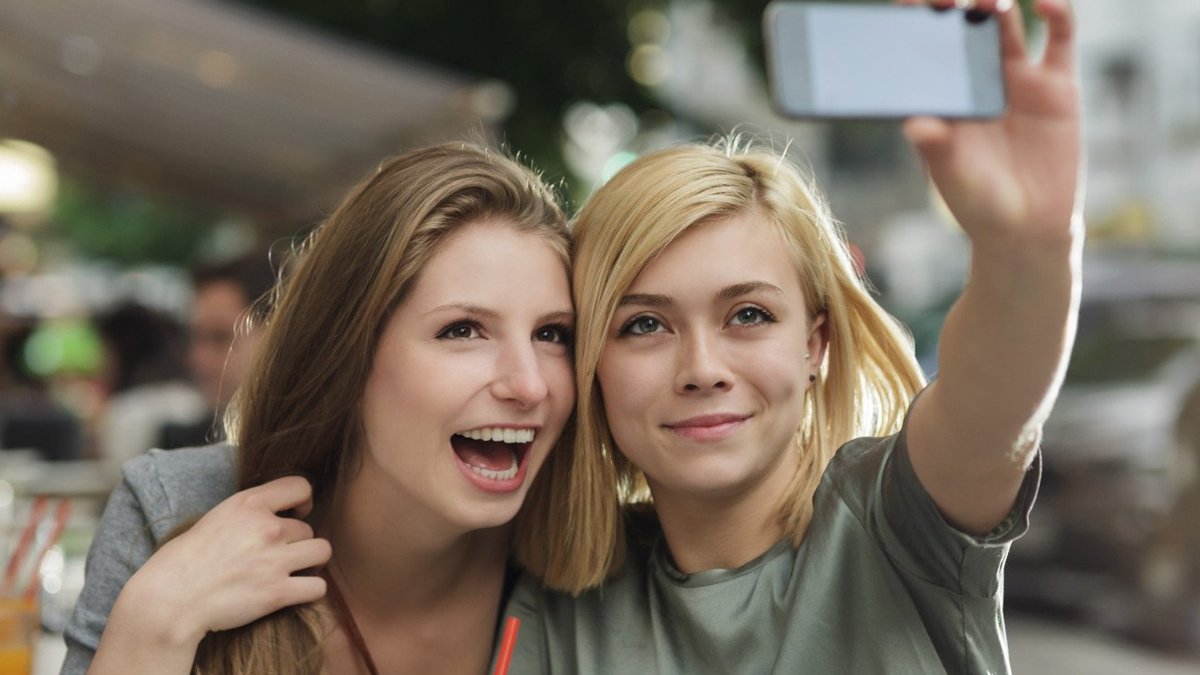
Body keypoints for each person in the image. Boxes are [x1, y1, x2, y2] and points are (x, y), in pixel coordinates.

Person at [508, 0, 1082, 672]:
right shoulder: (555, 603)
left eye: (748, 314)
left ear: (814, 345)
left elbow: (995, 405)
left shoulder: (895, 523)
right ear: (590, 364)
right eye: (643, 324)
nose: (702, 368)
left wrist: (1030, 250)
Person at [61, 142, 579, 674]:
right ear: (346, 356)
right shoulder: (172, 512)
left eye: (552, 333)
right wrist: (155, 625)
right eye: (463, 330)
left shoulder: (594, 577)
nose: (530, 384)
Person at [157, 251, 277, 449]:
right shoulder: (187, 442)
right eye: (195, 337)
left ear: (277, 334)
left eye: (220, 337)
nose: (197, 357)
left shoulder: (320, 455)